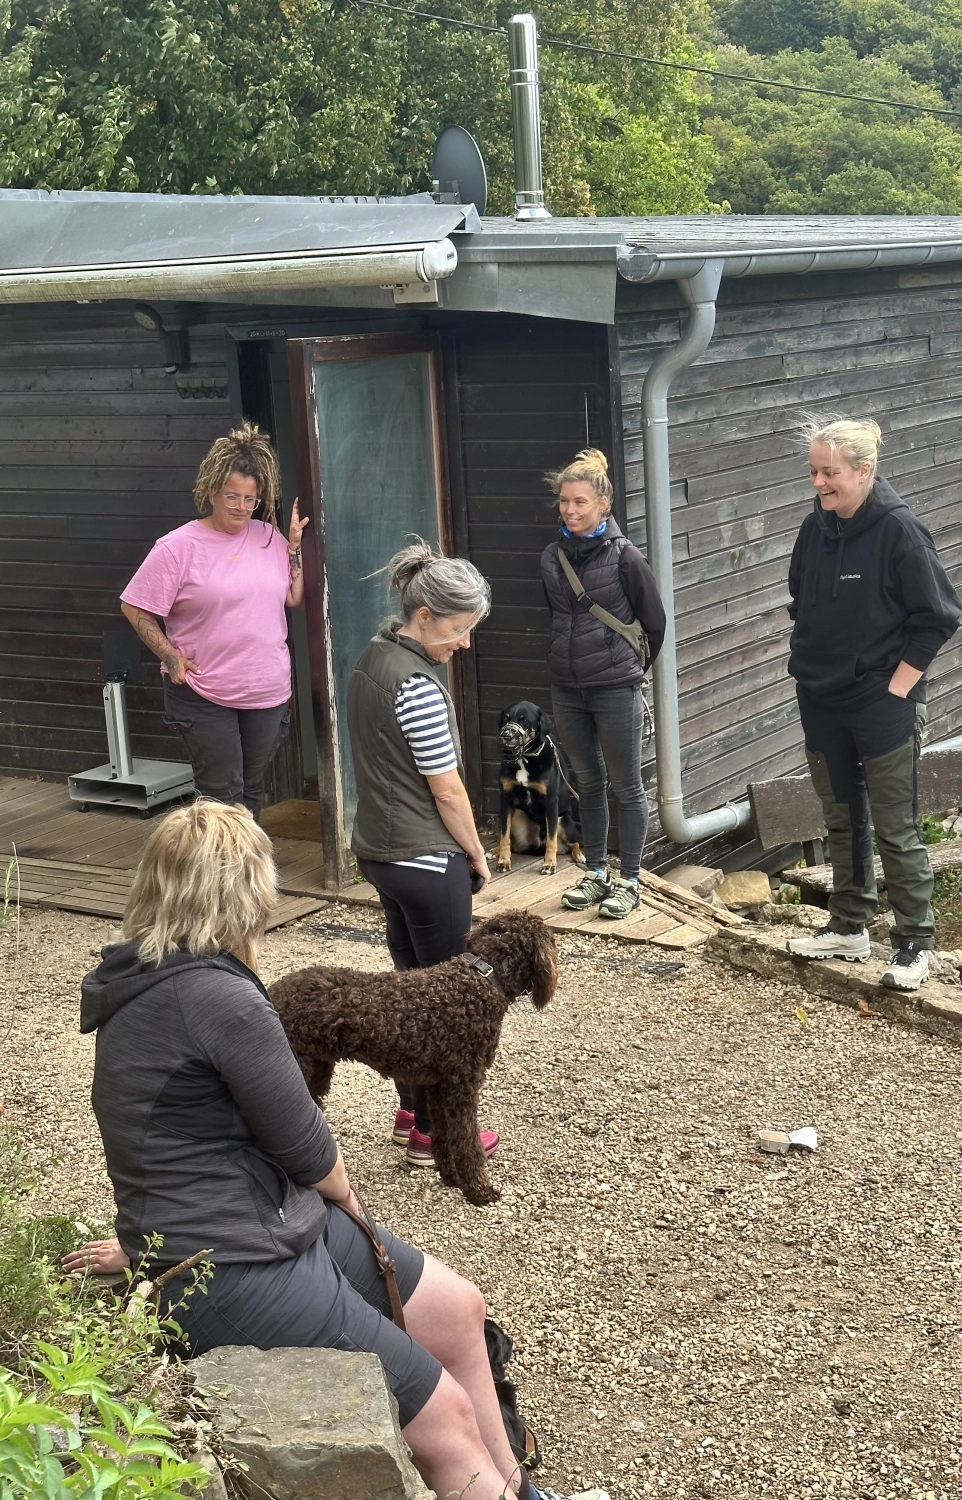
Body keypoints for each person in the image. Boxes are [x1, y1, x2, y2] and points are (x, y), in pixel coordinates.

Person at [62, 802, 596, 1500]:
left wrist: (142, 1238)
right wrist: (349, 1203)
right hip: (233, 1262)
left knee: (461, 1309)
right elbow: (310, 1151)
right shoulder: (220, 997)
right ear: (246, 890)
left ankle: (520, 1492)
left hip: (266, 1221)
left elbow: (160, 1141)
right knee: (445, 1417)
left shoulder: (142, 978)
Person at [784, 417, 962, 990]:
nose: (818, 482)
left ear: (864, 471)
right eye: (813, 471)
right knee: (841, 819)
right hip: (820, 700)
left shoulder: (900, 532)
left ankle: (915, 943)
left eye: (829, 472)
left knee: (895, 826)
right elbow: (799, 600)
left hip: (883, 703)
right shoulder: (814, 530)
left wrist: (899, 686)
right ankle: (849, 925)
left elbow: (938, 617)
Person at [347, 541, 497, 1169]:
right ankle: (434, 1135)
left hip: (378, 853)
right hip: (426, 859)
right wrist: (478, 855)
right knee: (447, 1008)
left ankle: (411, 1106)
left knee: (408, 991)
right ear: (429, 614)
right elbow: (448, 790)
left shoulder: (370, 659)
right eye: (460, 631)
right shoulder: (419, 688)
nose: (463, 644)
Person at [120, 422, 306, 821]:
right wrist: (171, 657)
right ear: (210, 492)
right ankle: (218, 879)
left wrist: (292, 549)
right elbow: (134, 606)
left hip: (266, 691)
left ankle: (243, 876)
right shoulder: (177, 547)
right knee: (222, 797)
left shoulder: (268, 537)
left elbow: (293, 596)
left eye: (251, 499)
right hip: (205, 692)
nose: (241, 507)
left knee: (252, 790)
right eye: (232, 496)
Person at [539, 449, 666, 920]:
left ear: (604, 504)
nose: (570, 510)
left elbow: (654, 623)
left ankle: (630, 880)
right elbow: (557, 619)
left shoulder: (625, 557)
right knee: (587, 783)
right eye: (564, 502)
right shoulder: (551, 558)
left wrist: (630, 672)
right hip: (567, 689)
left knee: (626, 785)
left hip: (615, 689)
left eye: (580, 502)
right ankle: (596, 873)